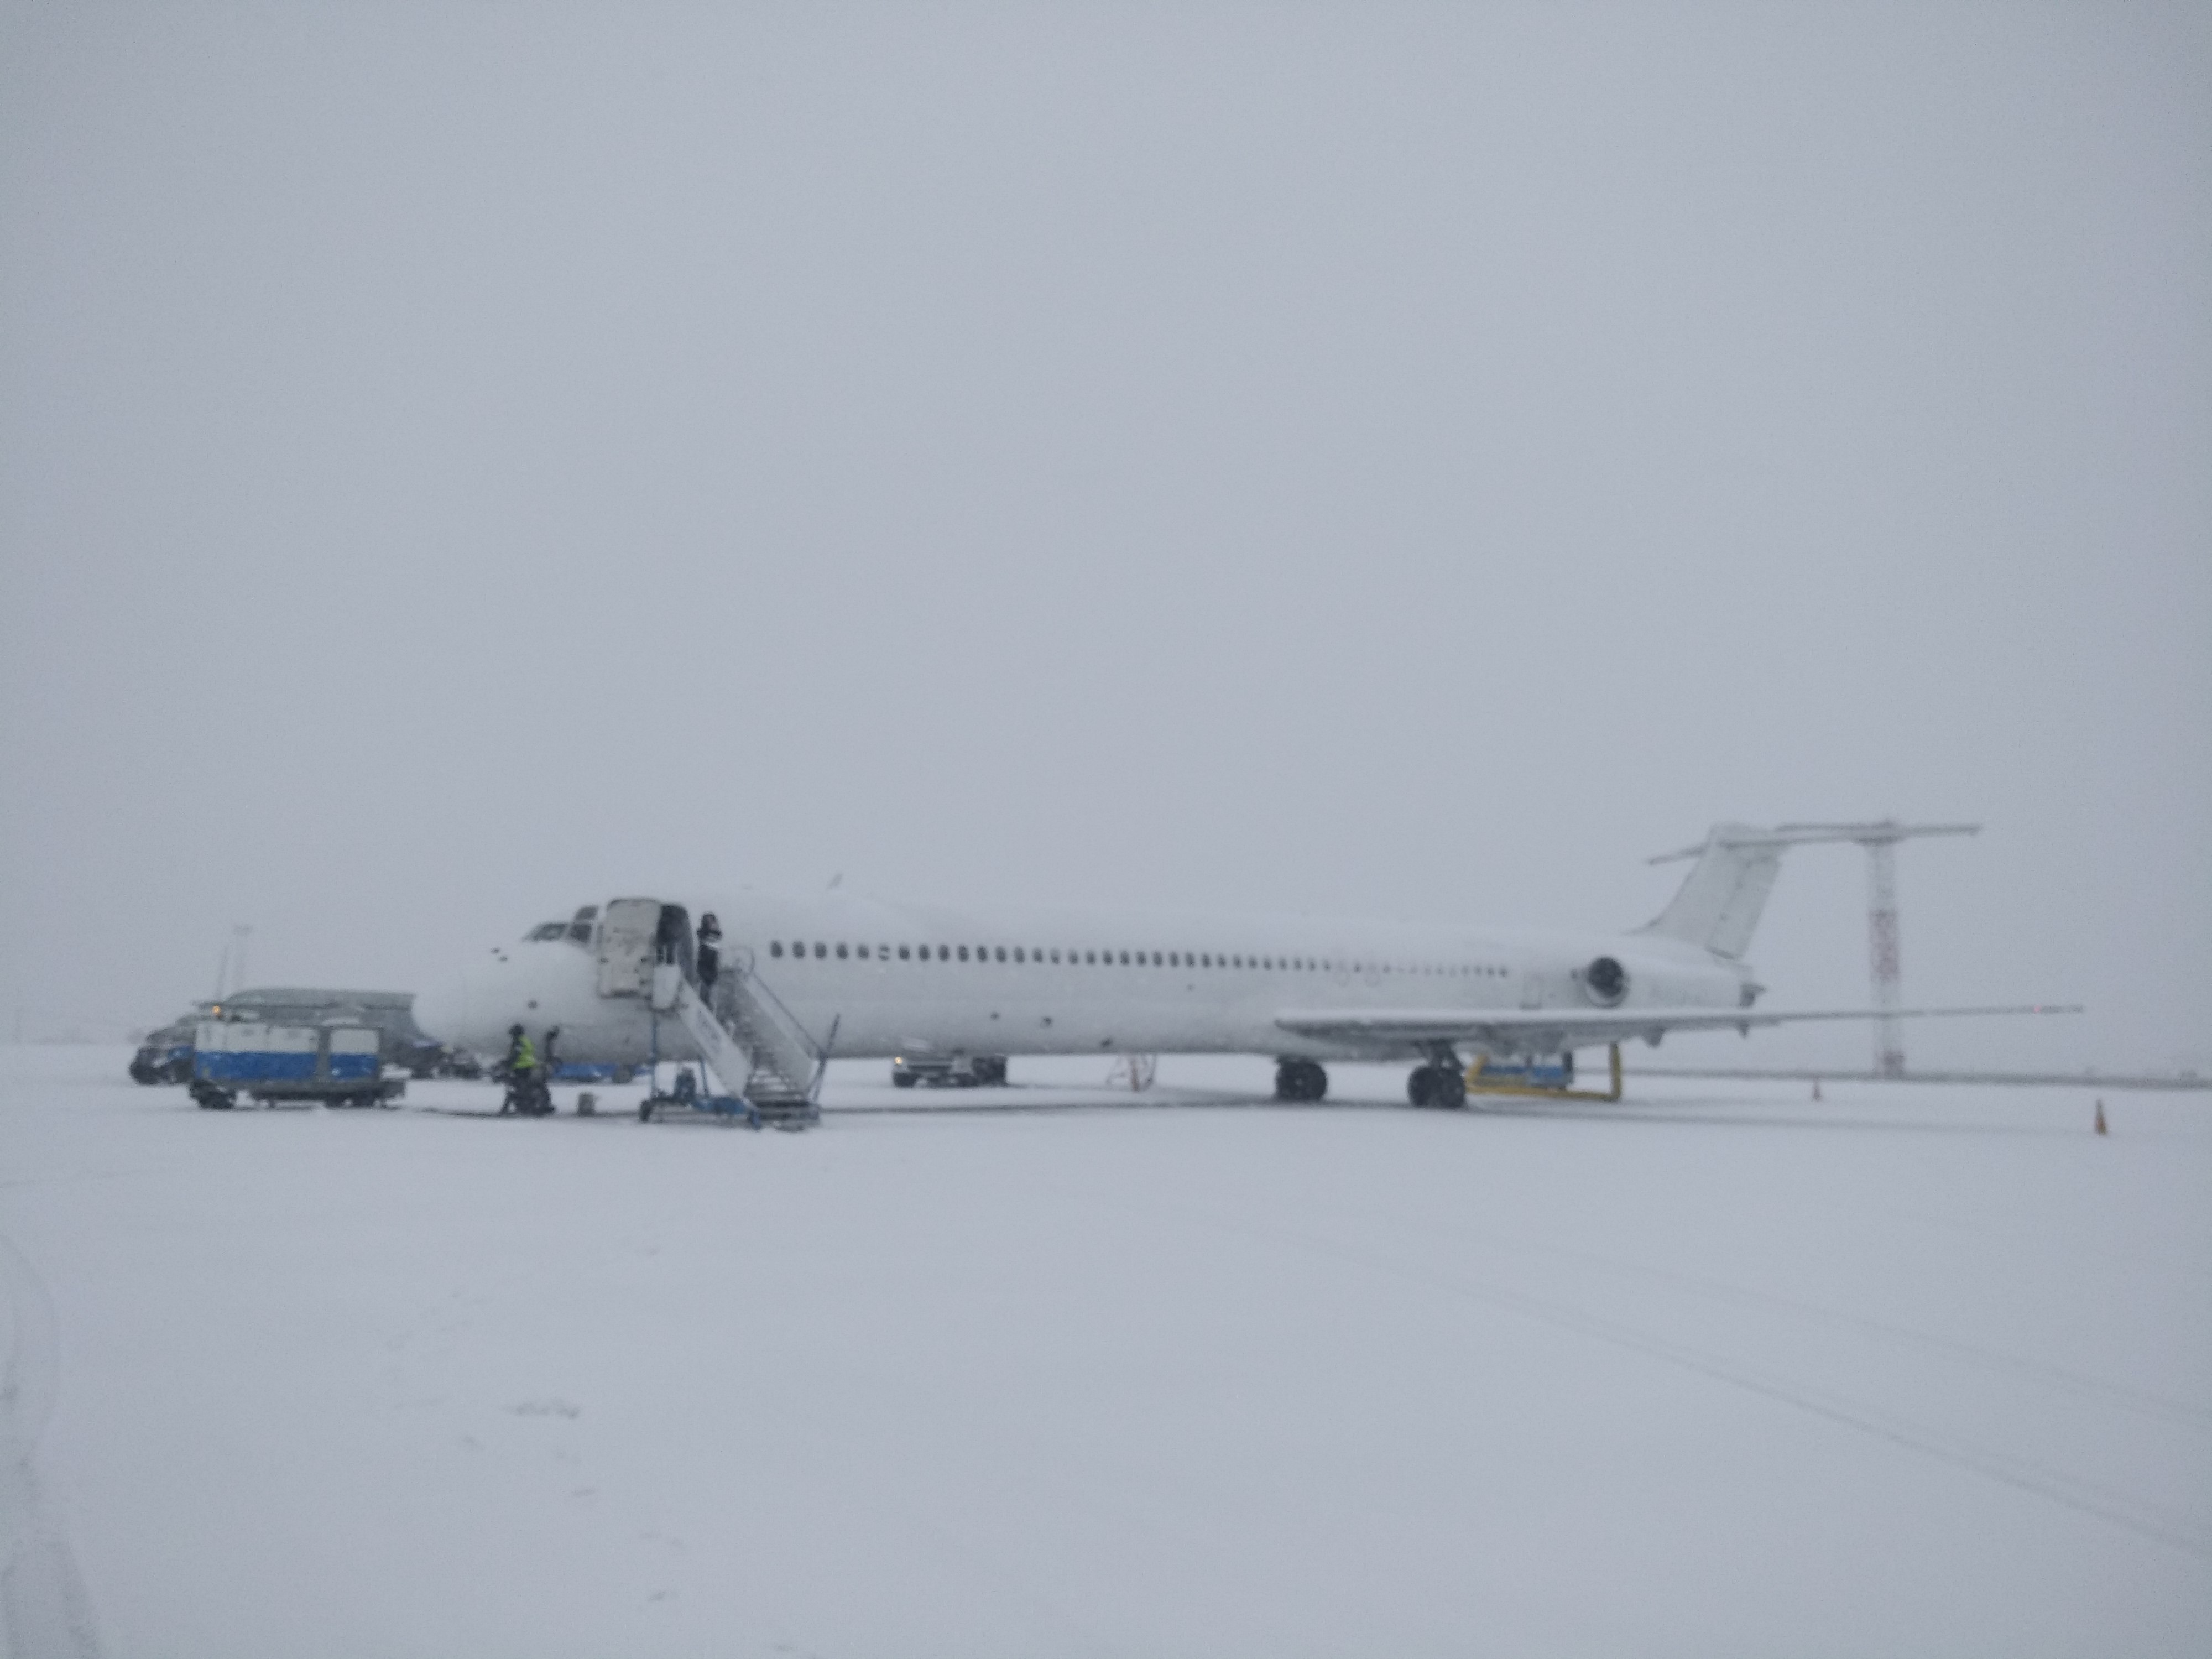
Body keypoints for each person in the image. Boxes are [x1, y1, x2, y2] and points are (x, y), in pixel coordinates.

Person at [696, 913, 722, 994]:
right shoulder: (704, 941)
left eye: (714, 922)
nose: (715, 925)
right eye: (711, 923)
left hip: (711, 977)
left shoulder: (714, 941)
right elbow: (703, 960)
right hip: (705, 978)